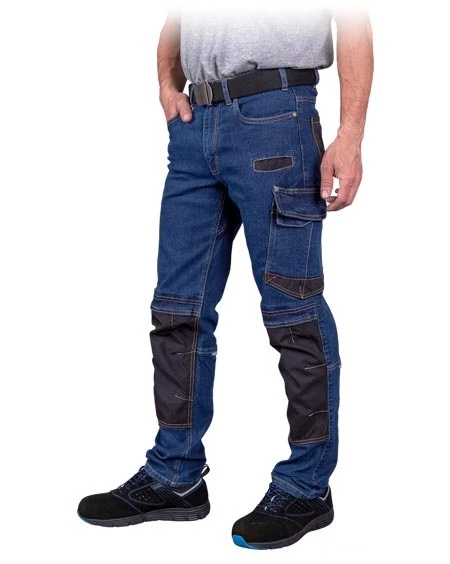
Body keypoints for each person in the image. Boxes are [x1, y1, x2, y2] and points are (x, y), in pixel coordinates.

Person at [77, 7, 373, 550]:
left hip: (276, 116)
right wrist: (166, 81)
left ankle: (307, 486)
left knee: (292, 310)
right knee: (177, 310)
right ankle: (175, 475)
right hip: (195, 128)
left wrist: (350, 135)